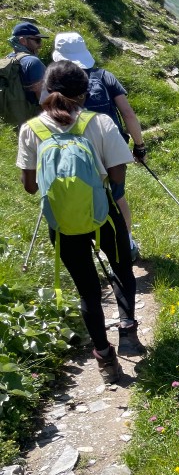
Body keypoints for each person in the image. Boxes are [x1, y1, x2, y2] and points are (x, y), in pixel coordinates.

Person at [17, 61, 146, 383]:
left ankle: (105, 360)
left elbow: (30, 186)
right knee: (122, 269)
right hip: (103, 215)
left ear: (45, 90)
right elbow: (118, 174)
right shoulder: (99, 122)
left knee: (87, 290)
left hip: (62, 222)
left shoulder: (31, 130)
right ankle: (127, 331)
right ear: (85, 93)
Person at [48, 32, 146, 261]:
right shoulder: (104, 76)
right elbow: (128, 113)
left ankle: (88, 244)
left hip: (70, 151)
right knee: (117, 196)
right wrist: (139, 146)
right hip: (110, 148)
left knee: (79, 194)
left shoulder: (53, 82)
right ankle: (126, 243)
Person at [6, 21, 49, 115]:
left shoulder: (8, 58)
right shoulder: (33, 62)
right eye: (37, 40)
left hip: (12, 116)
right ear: (23, 41)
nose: (40, 45)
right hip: (33, 116)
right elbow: (42, 96)